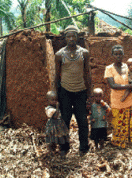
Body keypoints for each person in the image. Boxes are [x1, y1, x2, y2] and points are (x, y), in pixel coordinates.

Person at [54, 25, 92, 156]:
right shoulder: (59, 54)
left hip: (80, 91)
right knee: (65, 120)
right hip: (65, 91)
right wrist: (55, 93)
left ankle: (83, 147)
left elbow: (87, 74)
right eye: (68, 36)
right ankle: (64, 147)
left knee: (82, 120)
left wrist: (90, 93)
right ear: (65, 38)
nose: (71, 38)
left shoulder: (84, 53)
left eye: (73, 36)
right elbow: (56, 75)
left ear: (77, 37)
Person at [104, 44, 132, 149]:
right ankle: (120, 143)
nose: (118, 56)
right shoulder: (109, 69)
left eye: (120, 54)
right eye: (116, 54)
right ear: (112, 55)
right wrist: (129, 86)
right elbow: (113, 85)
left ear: (123, 54)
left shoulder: (129, 66)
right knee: (118, 123)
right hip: (117, 101)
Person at [45, 91, 69, 159]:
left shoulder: (55, 107)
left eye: (56, 100)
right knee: (52, 139)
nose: (55, 101)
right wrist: (58, 107)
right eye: (52, 100)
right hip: (53, 126)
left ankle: (62, 150)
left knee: (61, 138)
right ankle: (51, 151)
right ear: (48, 101)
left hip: (59, 126)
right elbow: (55, 116)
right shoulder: (49, 109)